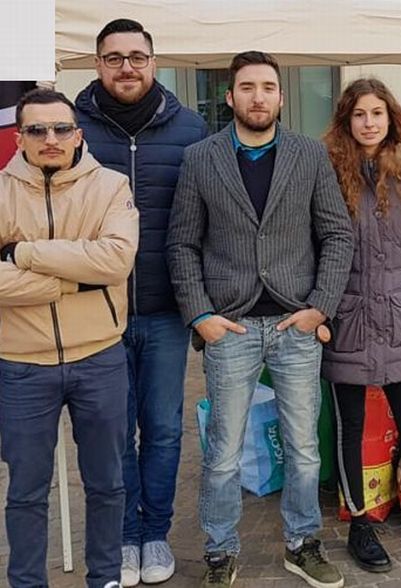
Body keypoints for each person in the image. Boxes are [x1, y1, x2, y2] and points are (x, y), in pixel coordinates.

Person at [166, 51, 353, 588]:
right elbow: (182, 243)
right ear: (230, 97)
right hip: (231, 326)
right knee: (222, 453)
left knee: (303, 446)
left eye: (267, 87)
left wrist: (320, 305)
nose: (257, 97)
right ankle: (220, 551)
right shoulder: (201, 158)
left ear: (280, 96)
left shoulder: (309, 156)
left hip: (296, 325)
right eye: (246, 87)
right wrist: (200, 315)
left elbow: (336, 234)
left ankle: (303, 543)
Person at [74, 18, 208, 585]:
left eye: (136, 57)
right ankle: (124, 536)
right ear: (98, 64)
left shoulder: (192, 128)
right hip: (94, 312)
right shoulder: (69, 127)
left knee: (162, 428)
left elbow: (209, 219)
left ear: (153, 62)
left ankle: (155, 533)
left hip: (165, 310)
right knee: (111, 430)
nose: (126, 67)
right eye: (114, 57)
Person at [0, 88, 138, 588]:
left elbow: (116, 261)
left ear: (78, 134)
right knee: (26, 491)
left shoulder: (111, 186)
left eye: (60, 129)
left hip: (99, 356)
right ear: (20, 138)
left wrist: (22, 254)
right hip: (20, 365)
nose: (50, 139)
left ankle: (104, 578)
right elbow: (96, 267)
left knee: (106, 483)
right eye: (37, 130)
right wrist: (73, 278)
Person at [320, 77, 401, 573]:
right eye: (359, 115)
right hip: (346, 319)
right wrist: (319, 313)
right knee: (349, 428)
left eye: (377, 113)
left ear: (390, 118)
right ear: (346, 121)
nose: (369, 123)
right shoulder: (327, 173)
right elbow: (314, 249)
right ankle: (359, 522)